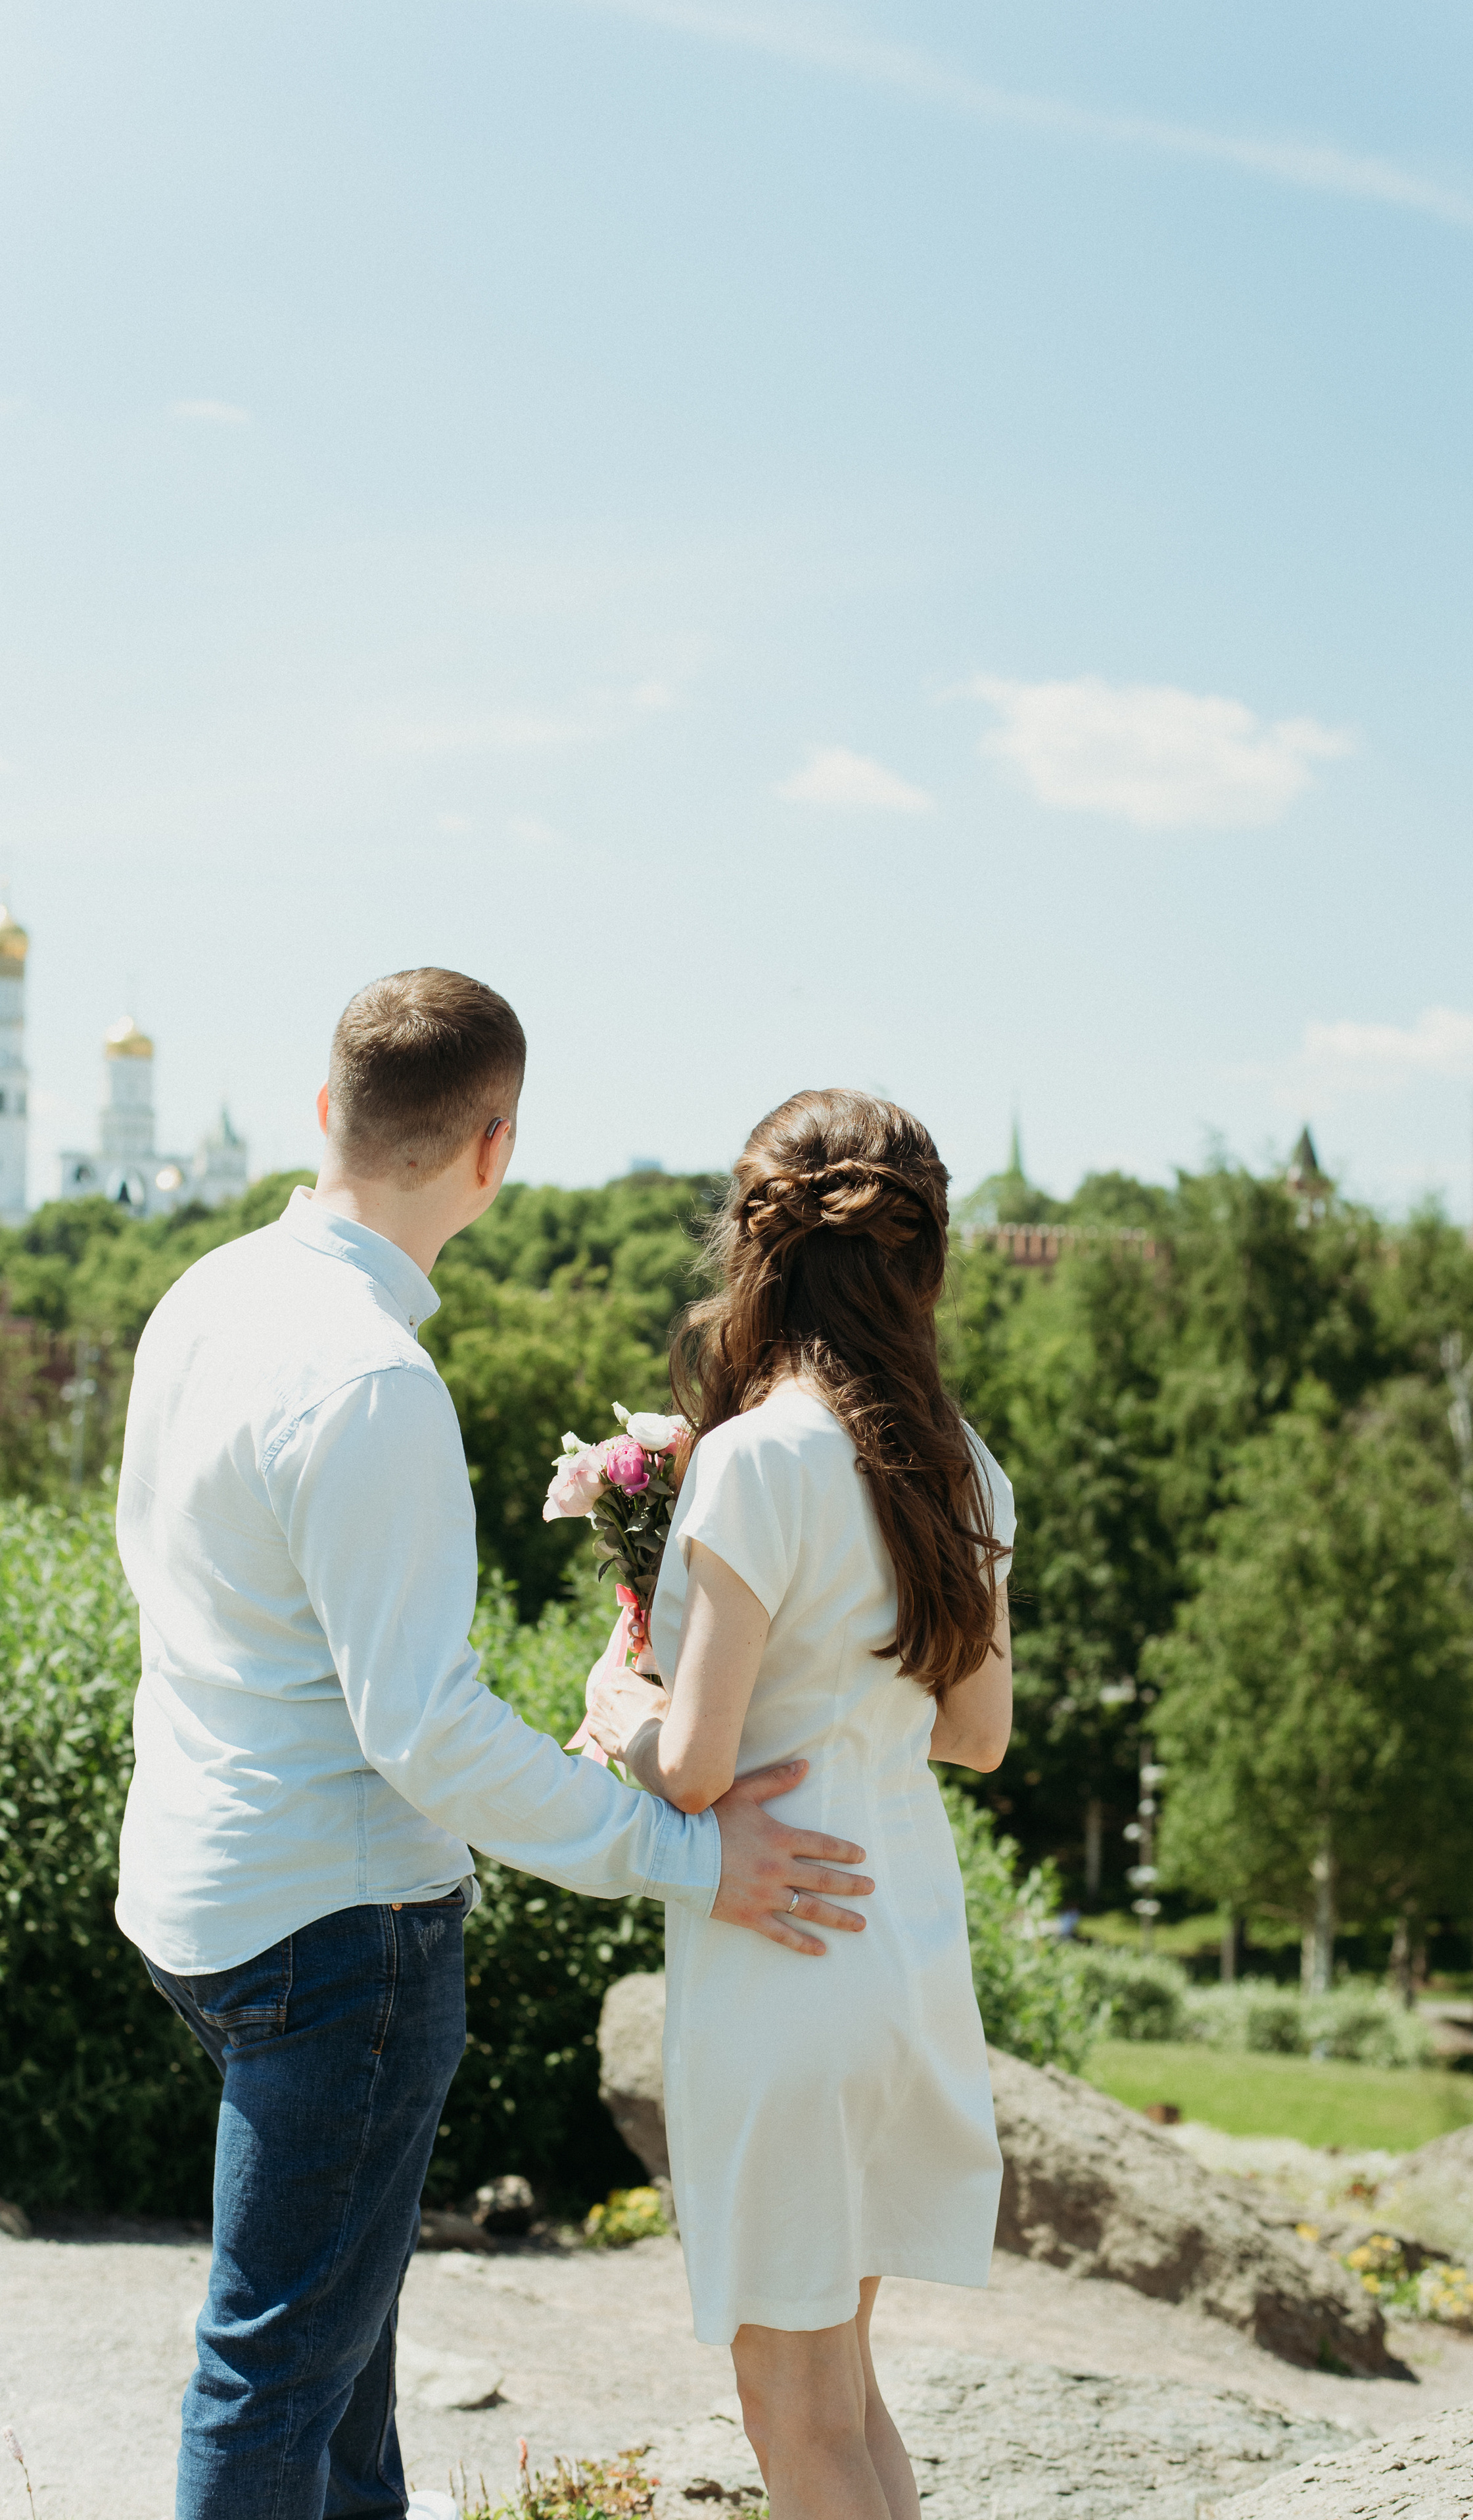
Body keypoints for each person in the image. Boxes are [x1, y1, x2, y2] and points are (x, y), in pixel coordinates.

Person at [114, 970, 874, 2520]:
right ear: (494, 1149)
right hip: (333, 1935)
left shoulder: (200, 1297)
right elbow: (425, 1739)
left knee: (335, 2376)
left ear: (325, 1111)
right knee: (272, 2377)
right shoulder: (373, 1380)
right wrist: (685, 1853)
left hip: (195, 1889)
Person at [582, 1087, 1014, 2520]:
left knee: (792, 2412)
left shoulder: (756, 1455)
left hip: (783, 1962)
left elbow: (698, 1768)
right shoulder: (959, 1462)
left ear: (753, 1251)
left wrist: (619, 1714)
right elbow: (979, 1732)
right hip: (903, 1951)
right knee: (845, 2396)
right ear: (921, 1259)